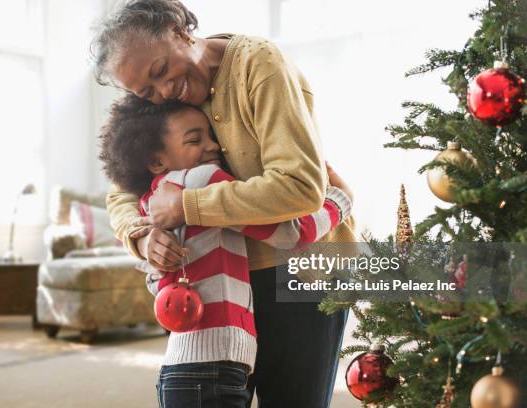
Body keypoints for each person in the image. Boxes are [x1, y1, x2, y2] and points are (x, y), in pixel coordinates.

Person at [91, 1, 358, 406]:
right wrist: (141, 235)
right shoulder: (158, 101)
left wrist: (187, 207)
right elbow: (124, 188)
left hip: (302, 274)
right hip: (222, 284)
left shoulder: (259, 65)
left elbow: (300, 188)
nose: (161, 94)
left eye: (161, 71)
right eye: (145, 91)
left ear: (179, 30)